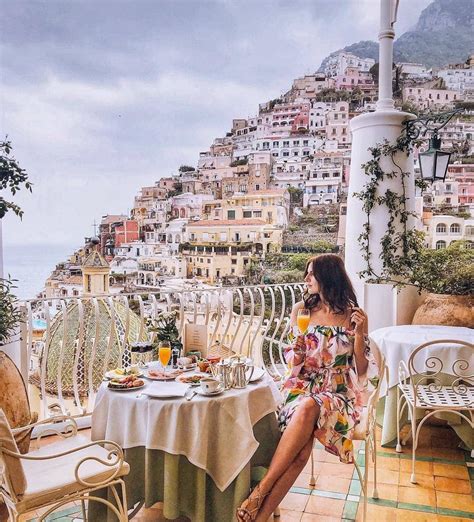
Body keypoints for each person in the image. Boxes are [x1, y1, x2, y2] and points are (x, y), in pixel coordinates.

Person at [237, 254, 379, 522]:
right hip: (302, 386)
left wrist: (360, 334)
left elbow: (360, 371)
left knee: (310, 405)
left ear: (326, 277)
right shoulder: (301, 310)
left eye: (311, 274)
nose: (306, 279)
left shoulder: (353, 316)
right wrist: (298, 341)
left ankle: (261, 490)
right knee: (301, 450)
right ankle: (262, 514)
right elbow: (294, 363)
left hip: (337, 393)